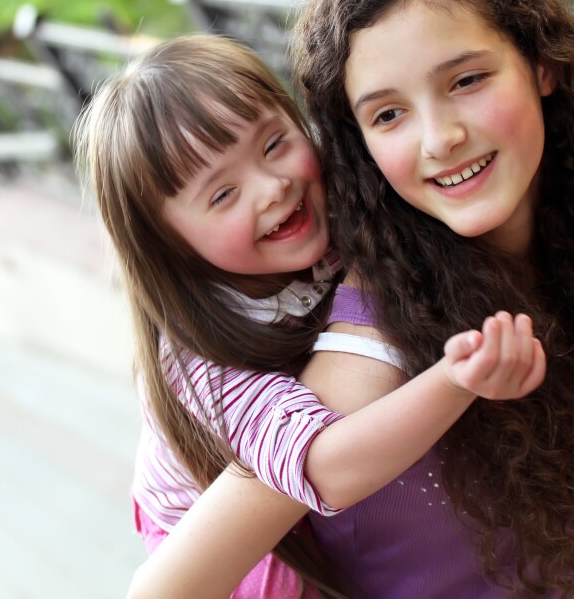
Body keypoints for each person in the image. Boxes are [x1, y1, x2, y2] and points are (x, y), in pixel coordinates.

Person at [115, 0, 574, 594]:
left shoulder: (409, 221)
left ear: (543, 64)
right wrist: (454, 379)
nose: (441, 138)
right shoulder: (330, 339)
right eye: (388, 115)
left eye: (466, 80)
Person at [74, 34, 549, 598]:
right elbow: (327, 468)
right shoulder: (198, 362)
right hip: (228, 553)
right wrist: (455, 380)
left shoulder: (335, 193)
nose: (273, 186)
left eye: (274, 144)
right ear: (170, 246)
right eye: (223, 194)